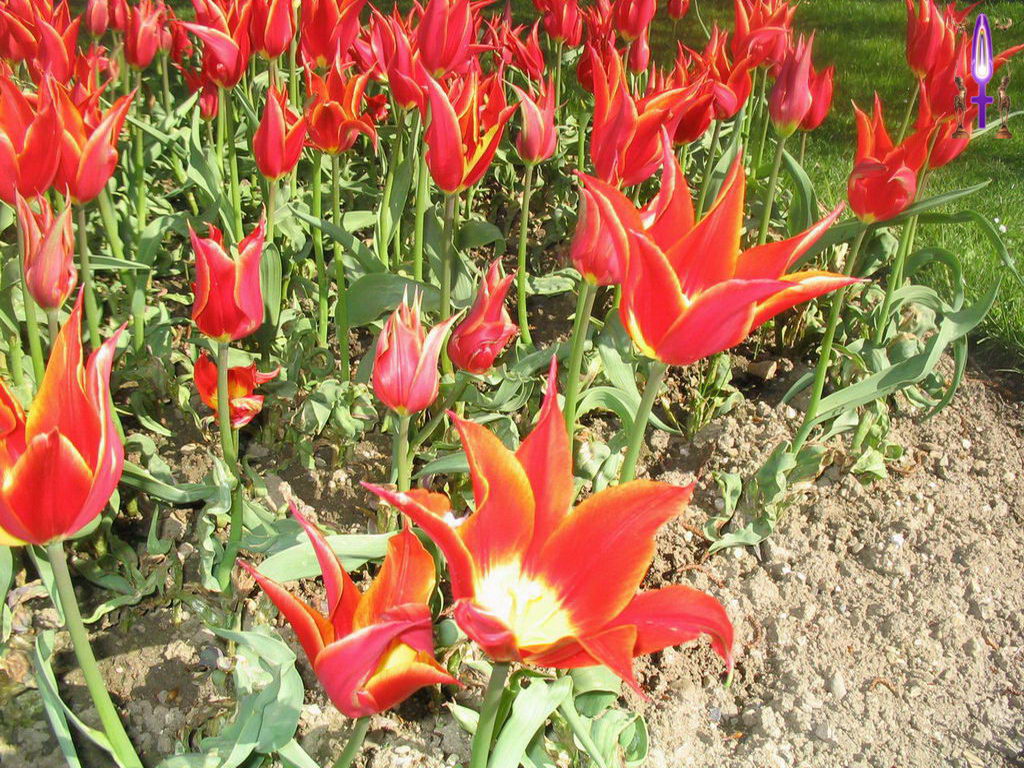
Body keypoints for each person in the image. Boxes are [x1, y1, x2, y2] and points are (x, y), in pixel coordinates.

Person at [996, 72, 1013, 139]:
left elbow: (1007, 83)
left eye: (1004, 82)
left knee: (1006, 111)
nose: (1004, 83)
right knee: (1001, 111)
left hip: (1005, 98)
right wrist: (999, 103)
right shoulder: (1000, 88)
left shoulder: (1003, 87)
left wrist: (1009, 77)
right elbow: (999, 97)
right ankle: (1003, 123)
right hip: (1002, 99)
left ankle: (1004, 123)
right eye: (1003, 81)